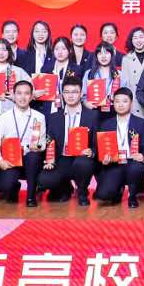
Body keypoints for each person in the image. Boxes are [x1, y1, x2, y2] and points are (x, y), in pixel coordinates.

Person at [36, 75, 99, 205]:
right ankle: (65, 187)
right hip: (62, 158)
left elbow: (96, 143)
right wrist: (49, 159)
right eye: (67, 92)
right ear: (62, 94)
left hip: (82, 158)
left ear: (81, 94)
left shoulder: (92, 116)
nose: (70, 96)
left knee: (83, 163)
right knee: (44, 180)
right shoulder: (54, 117)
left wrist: (91, 151)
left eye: (74, 92)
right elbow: (50, 141)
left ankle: (82, 192)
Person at [0, 79, 47, 205]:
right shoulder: (4, 117)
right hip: (10, 160)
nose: (23, 97)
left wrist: (38, 147)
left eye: (26, 93)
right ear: (13, 95)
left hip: (29, 159)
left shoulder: (39, 117)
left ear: (31, 96)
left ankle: (31, 196)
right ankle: (14, 187)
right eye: (19, 93)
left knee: (33, 157)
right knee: (5, 185)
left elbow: (42, 143)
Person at [93, 88, 144, 207]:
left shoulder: (141, 123)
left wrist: (143, 156)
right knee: (103, 195)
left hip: (133, 162)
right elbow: (100, 149)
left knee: (136, 169)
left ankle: (132, 195)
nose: (120, 105)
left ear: (131, 103)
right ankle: (118, 190)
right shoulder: (106, 124)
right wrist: (104, 159)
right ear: (113, 103)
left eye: (125, 101)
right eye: (117, 101)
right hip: (115, 163)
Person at [0, 38, 30, 114]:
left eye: (4, 50)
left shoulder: (19, 72)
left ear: (9, 52)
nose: (1, 53)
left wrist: (16, 97)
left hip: (15, 114)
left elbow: (30, 92)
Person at [119, 27, 144, 106]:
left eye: (141, 37)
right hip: (135, 100)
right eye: (135, 38)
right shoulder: (126, 59)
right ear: (132, 40)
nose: (138, 40)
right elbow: (125, 83)